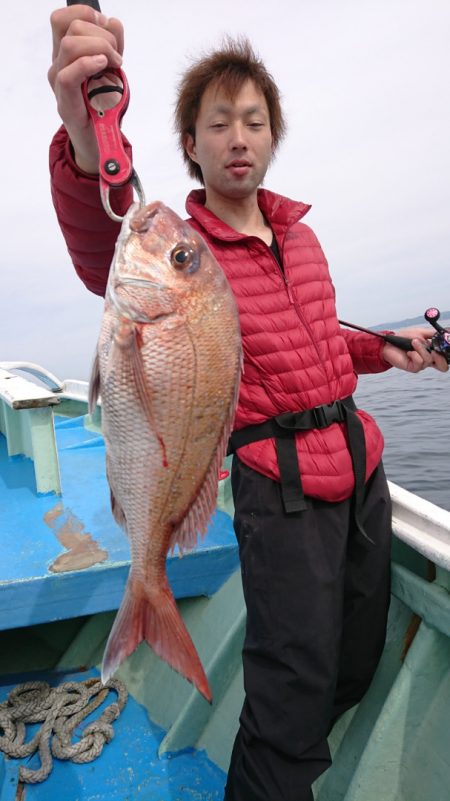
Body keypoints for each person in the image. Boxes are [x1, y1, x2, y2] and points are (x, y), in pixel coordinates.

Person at [48, 7, 448, 801]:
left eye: (255, 121)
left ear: (273, 138)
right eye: (218, 121)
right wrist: (84, 142)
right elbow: (106, 247)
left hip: (360, 477)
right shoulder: (179, 243)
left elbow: (315, 337)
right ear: (190, 145)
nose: (239, 135)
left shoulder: (300, 236)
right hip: (284, 492)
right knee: (288, 698)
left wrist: (385, 347)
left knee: (354, 660)